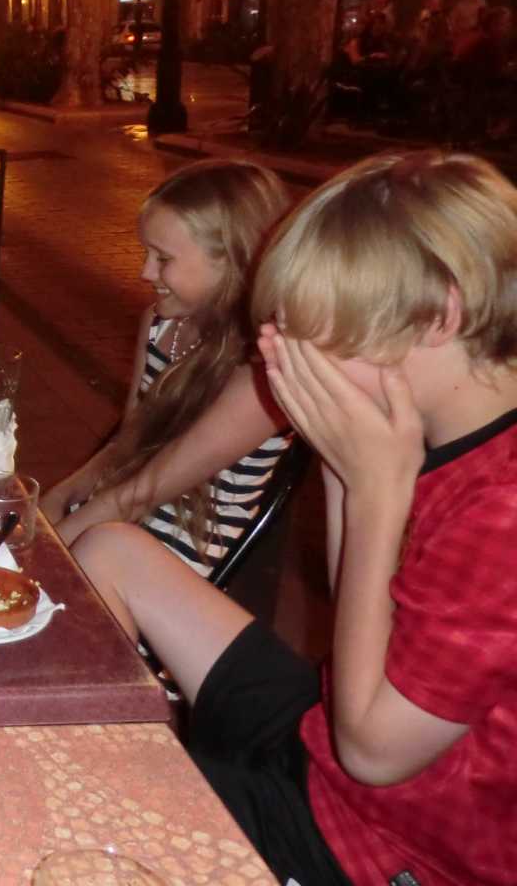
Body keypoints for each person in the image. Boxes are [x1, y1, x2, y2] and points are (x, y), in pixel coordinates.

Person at [70, 150, 517, 886]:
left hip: (375, 845)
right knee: (108, 551)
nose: (294, 363)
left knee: (90, 816)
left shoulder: (501, 509)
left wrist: (373, 489)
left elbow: (374, 753)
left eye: (321, 337)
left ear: (439, 315)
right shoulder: (436, 430)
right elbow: (363, 612)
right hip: (325, 740)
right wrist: (345, 464)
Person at [42, 160, 292, 578]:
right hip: (117, 518)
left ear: (233, 262)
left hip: (180, 559)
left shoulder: (262, 373)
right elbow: (128, 442)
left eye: (163, 258)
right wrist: (58, 496)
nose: (146, 271)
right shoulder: (161, 325)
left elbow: (143, 493)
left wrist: (43, 553)